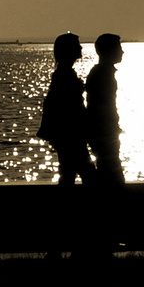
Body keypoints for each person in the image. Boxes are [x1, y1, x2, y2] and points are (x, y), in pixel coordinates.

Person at [37, 32, 93, 186]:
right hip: (69, 133)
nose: (81, 47)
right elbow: (68, 106)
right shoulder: (64, 74)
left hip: (66, 134)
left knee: (68, 172)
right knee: (86, 173)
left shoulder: (64, 73)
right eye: (77, 45)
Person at [85, 33, 125, 187]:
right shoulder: (102, 74)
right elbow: (100, 106)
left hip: (104, 131)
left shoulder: (103, 73)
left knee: (108, 170)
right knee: (111, 174)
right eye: (119, 48)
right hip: (103, 132)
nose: (122, 52)